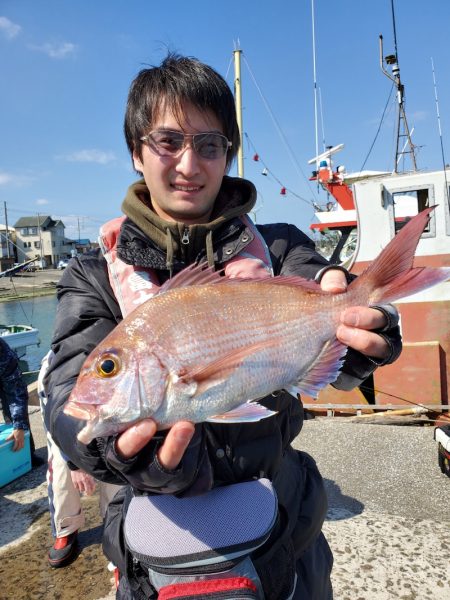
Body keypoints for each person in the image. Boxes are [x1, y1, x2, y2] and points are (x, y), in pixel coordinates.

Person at [43, 54, 402, 599]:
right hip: (154, 547)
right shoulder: (92, 273)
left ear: (228, 155)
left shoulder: (278, 245)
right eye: (168, 141)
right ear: (136, 152)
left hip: (285, 528)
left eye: (209, 145)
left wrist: (368, 337)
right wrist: (114, 454)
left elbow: (327, 311)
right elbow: (67, 395)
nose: (189, 164)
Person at [39, 351, 123, 568]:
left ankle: (116, 534)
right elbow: (56, 414)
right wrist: (75, 462)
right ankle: (65, 527)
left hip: (114, 406)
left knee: (118, 472)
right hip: (64, 411)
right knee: (61, 471)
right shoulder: (58, 364)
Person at [0, 337, 44, 467]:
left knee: (17, 422)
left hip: (4, 379)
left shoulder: (3, 354)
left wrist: (19, 426)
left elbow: (16, 392)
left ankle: (25, 453)